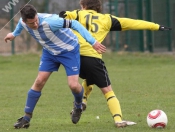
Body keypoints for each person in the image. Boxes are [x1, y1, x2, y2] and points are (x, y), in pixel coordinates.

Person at [59, 0, 172, 128]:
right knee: (108, 92)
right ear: (99, 7)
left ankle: (82, 102)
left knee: (89, 79)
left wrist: (63, 14)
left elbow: (62, 16)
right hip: (93, 58)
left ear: (82, 5)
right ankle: (118, 120)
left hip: (74, 58)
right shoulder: (107, 19)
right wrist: (156, 26)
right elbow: (132, 23)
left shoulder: (77, 14)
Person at [4, 4, 106, 129]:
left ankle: (78, 106)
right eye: (31, 23)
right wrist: (14, 34)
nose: (35, 24)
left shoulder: (52, 22)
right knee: (39, 81)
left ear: (37, 15)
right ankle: (26, 118)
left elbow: (75, 24)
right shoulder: (23, 21)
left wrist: (93, 42)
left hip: (69, 50)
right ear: (25, 21)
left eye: (36, 20)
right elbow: (20, 26)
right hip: (50, 52)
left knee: (73, 85)